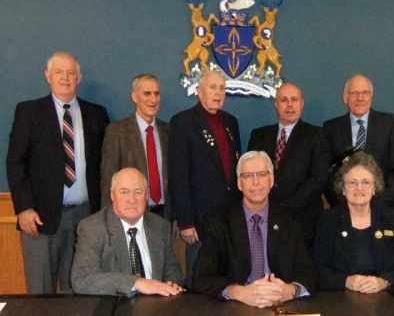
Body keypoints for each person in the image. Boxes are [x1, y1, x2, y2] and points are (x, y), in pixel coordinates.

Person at [6, 52, 109, 294]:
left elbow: (104, 166)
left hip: (85, 218)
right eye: (59, 72)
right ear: (47, 76)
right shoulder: (28, 112)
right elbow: (15, 163)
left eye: (71, 73)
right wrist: (23, 208)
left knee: (78, 290)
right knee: (41, 292)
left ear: (79, 77)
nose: (65, 78)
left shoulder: (96, 114)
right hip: (39, 218)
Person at [192, 151, 316, 308]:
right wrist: (238, 292)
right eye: (248, 176)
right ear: (239, 183)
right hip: (237, 305)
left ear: (271, 180)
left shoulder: (290, 220)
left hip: (281, 304)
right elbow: (202, 277)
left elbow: (309, 273)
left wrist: (290, 291)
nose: (256, 182)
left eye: (262, 174)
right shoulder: (218, 220)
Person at [168, 70, 241, 285]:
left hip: (229, 218)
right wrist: (186, 221)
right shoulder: (183, 122)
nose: (218, 92)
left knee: (227, 278)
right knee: (199, 277)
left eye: (222, 88)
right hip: (199, 220)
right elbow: (178, 174)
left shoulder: (231, 122)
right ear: (199, 92)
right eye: (212, 87)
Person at [71, 168, 184, 297]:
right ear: (112, 195)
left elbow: (172, 270)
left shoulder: (160, 226)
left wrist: (171, 283)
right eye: (124, 192)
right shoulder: (92, 227)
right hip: (114, 306)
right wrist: (136, 283)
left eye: (138, 192)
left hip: (156, 306)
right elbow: (82, 278)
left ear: (146, 195)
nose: (132, 199)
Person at [248, 83, 331, 249]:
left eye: (294, 100)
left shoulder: (317, 135)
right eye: (284, 100)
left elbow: (318, 179)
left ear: (302, 104)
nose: (290, 105)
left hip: (302, 220)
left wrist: (284, 207)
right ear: (276, 105)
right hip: (264, 217)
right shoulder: (258, 135)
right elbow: (249, 176)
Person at [314, 152, 394, 293]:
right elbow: (318, 270)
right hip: (340, 297)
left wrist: (383, 281)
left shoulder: (392, 219)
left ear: (374, 188)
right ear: (343, 188)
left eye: (366, 182)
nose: (359, 188)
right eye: (352, 182)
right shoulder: (328, 220)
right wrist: (346, 281)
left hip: (386, 297)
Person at [323, 74, 394, 210]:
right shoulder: (331, 128)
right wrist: (342, 203)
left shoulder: (389, 124)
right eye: (354, 93)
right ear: (345, 97)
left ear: (371, 96)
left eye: (365, 93)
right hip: (343, 209)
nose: (360, 98)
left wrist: (378, 203)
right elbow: (326, 173)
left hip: (382, 207)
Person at [100, 74, 173, 222]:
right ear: (134, 96)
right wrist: (108, 221)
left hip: (165, 216)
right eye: (147, 93)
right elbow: (108, 179)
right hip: (130, 215)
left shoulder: (169, 131)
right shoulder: (117, 131)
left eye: (156, 94)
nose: (153, 99)